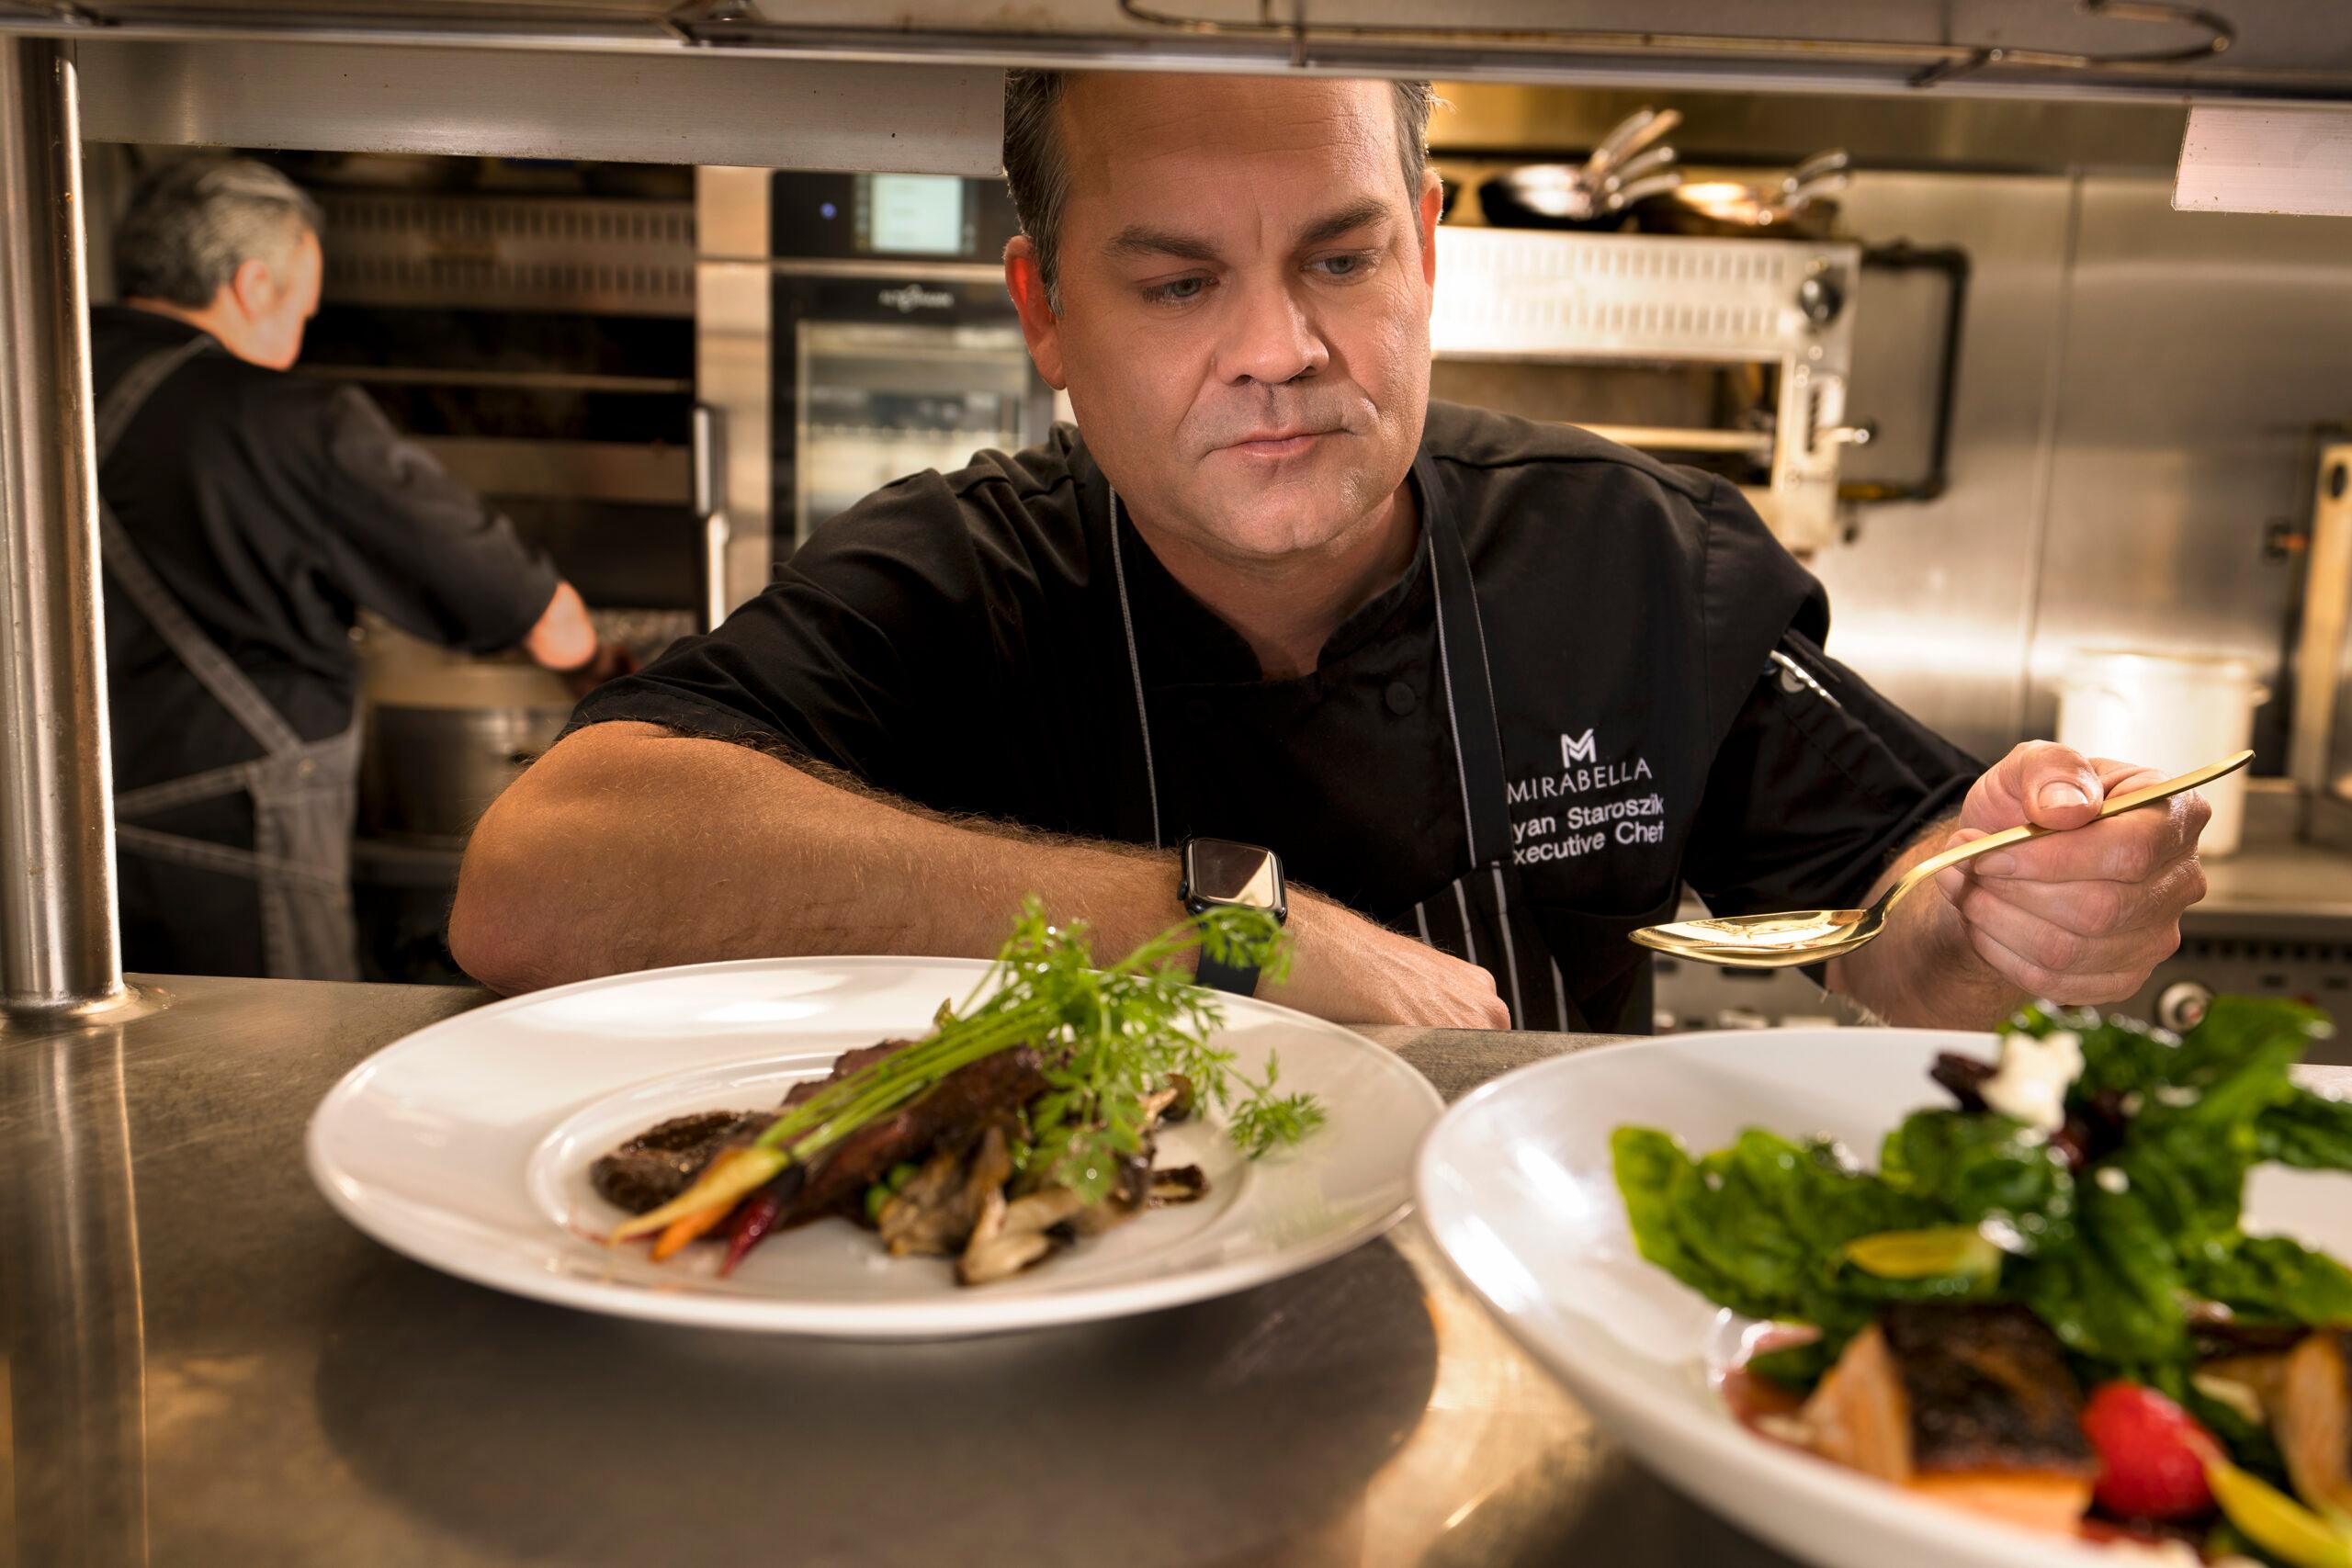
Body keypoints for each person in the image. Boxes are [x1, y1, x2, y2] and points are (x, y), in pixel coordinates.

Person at [449, 73, 2209, 1032]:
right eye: (1178, 281)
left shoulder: (1633, 557)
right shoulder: (955, 585)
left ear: (1429, 252)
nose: (1280, 345)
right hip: (1074, 1360)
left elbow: (1894, 933)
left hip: (1535, 1331)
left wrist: (2015, 912)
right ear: (1047, 312)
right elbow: (534, 877)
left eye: (1345, 259)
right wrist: (1228, 933)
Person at [97, 157, 633, 981]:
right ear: (251, 286)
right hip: (230, 852)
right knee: (259, 1094)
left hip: (39, 839)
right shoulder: (279, 420)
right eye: (301, 312)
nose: (296, 339)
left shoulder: (27, 373)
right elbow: (541, 617)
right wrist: (592, 661)